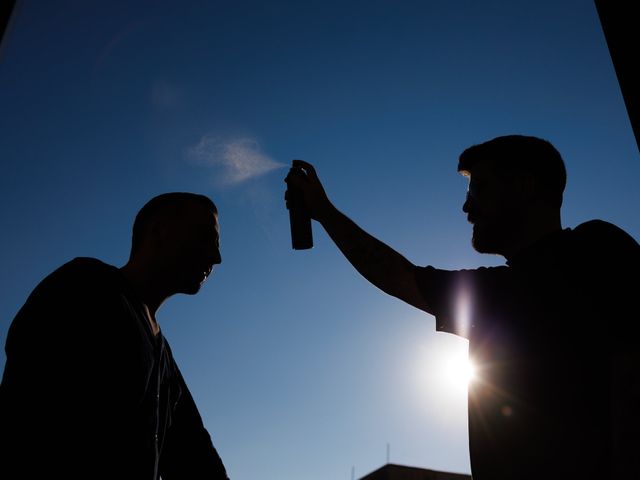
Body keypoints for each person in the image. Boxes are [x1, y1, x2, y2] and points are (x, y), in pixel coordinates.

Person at [285, 135, 640, 480]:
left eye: (480, 189)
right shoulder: (498, 294)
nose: (467, 207)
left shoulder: (596, 250)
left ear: (524, 187)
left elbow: (396, 276)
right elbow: (398, 277)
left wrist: (324, 212)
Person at [0, 192, 230, 479]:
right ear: (159, 231)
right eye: (205, 237)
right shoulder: (86, 286)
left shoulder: (166, 363)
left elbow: (196, 454)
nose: (216, 257)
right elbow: (24, 407)